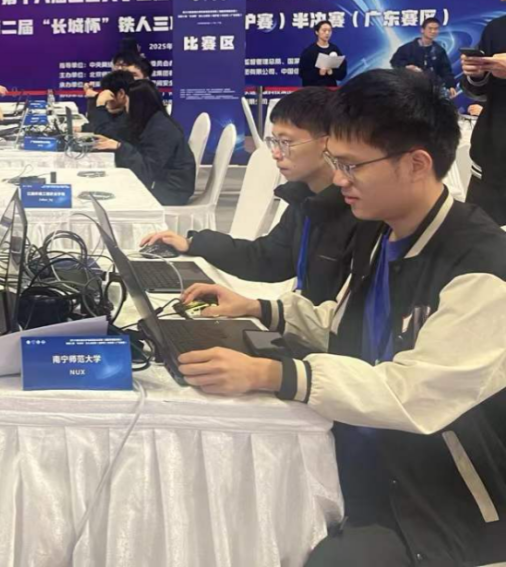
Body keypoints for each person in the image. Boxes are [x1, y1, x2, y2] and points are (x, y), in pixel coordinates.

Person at [173, 69, 506, 566]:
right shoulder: (380, 230)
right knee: (226, 503)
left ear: (417, 163)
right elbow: (346, 323)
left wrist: (275, 374)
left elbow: (414, 393)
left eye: (352, 166)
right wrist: (258, 308)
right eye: (335, 162)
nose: (340, 179)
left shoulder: (483, 265)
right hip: (360, 449)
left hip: (437, 500)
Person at [138, 87, 356, 303]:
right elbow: (267, 258)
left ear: (329, 143)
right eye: (274, 142)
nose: (276, 153)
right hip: (303, 320)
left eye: (286, 143)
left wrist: (259, 310)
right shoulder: (305, 199)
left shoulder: (358, 210)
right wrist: (194, 244)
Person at [94, 79, 195, 204]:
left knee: (109, 192)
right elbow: (119, 133)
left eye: (127, 102)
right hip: (159, 182)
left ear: (137, 104)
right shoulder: (148, 120)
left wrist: (120, 147)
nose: (125, 106)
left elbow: (147, 171)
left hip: (169, 191)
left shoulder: (161, 129)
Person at [461, 0, 506, 225]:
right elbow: (477, 91)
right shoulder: (496, 29)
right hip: (492, 164)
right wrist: (476, 74)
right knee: (479, 241)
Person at [391, 17, 457, 99]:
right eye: (430, 28)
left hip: (431, 89)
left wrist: (450, 85)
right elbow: (395, 62)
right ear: (422, 30)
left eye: (436, 29)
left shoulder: (439, 50)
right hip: (409, 88)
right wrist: (407, 67)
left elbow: (445, 70)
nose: (433, 31)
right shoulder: (407, 48)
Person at [299, 20, 347, 87]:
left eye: (329, 31)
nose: (327, 33)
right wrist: (318, 72)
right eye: (324, 30)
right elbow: (303, 73)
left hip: (331, 88)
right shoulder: (309, 51)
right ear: (317, 32)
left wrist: (332, 72)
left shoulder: (335, 49)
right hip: (314, 89)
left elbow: (342, 72)